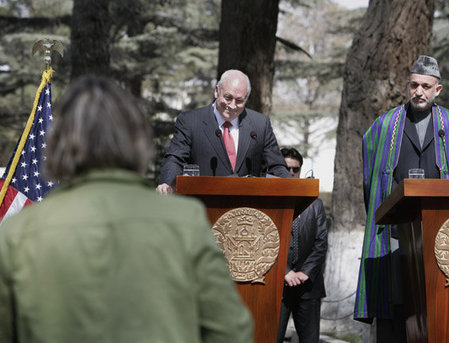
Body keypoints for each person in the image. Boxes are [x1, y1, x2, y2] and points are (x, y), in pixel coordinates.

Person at [0, 76, 253, 343]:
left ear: (58, 145)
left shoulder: (19, 232)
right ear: (137, 143)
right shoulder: (186, 222)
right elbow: (231, 331)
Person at [354, 55, 449, 342]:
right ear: (407, 86)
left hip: (442, 241)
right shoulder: (384, 128)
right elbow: (369, 187)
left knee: (436, 315)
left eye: (426, 86)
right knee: (394, 313)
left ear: (438, 90)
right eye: (413, 85)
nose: (418, 92)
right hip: (396, 238)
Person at [156, 69, 290, 194]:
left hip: (247, 209)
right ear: (216, 91)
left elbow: (277, 166)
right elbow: (175, 158)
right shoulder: (191, 121)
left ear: (246, 99)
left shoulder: (260, 124)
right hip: (204, 204)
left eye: (239, 101)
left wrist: (294, 187)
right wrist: (167, 184)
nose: (232, 105)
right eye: (228, 97)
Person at [276, 147, 328, 343]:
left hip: (308, 286)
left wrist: (305, 272)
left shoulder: (315, 204)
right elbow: (265, 241)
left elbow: (321, 242)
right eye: (286, 168)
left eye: (295, 169)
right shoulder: (269, 202)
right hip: (278, 286)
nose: (290, 173)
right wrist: (285, 271)